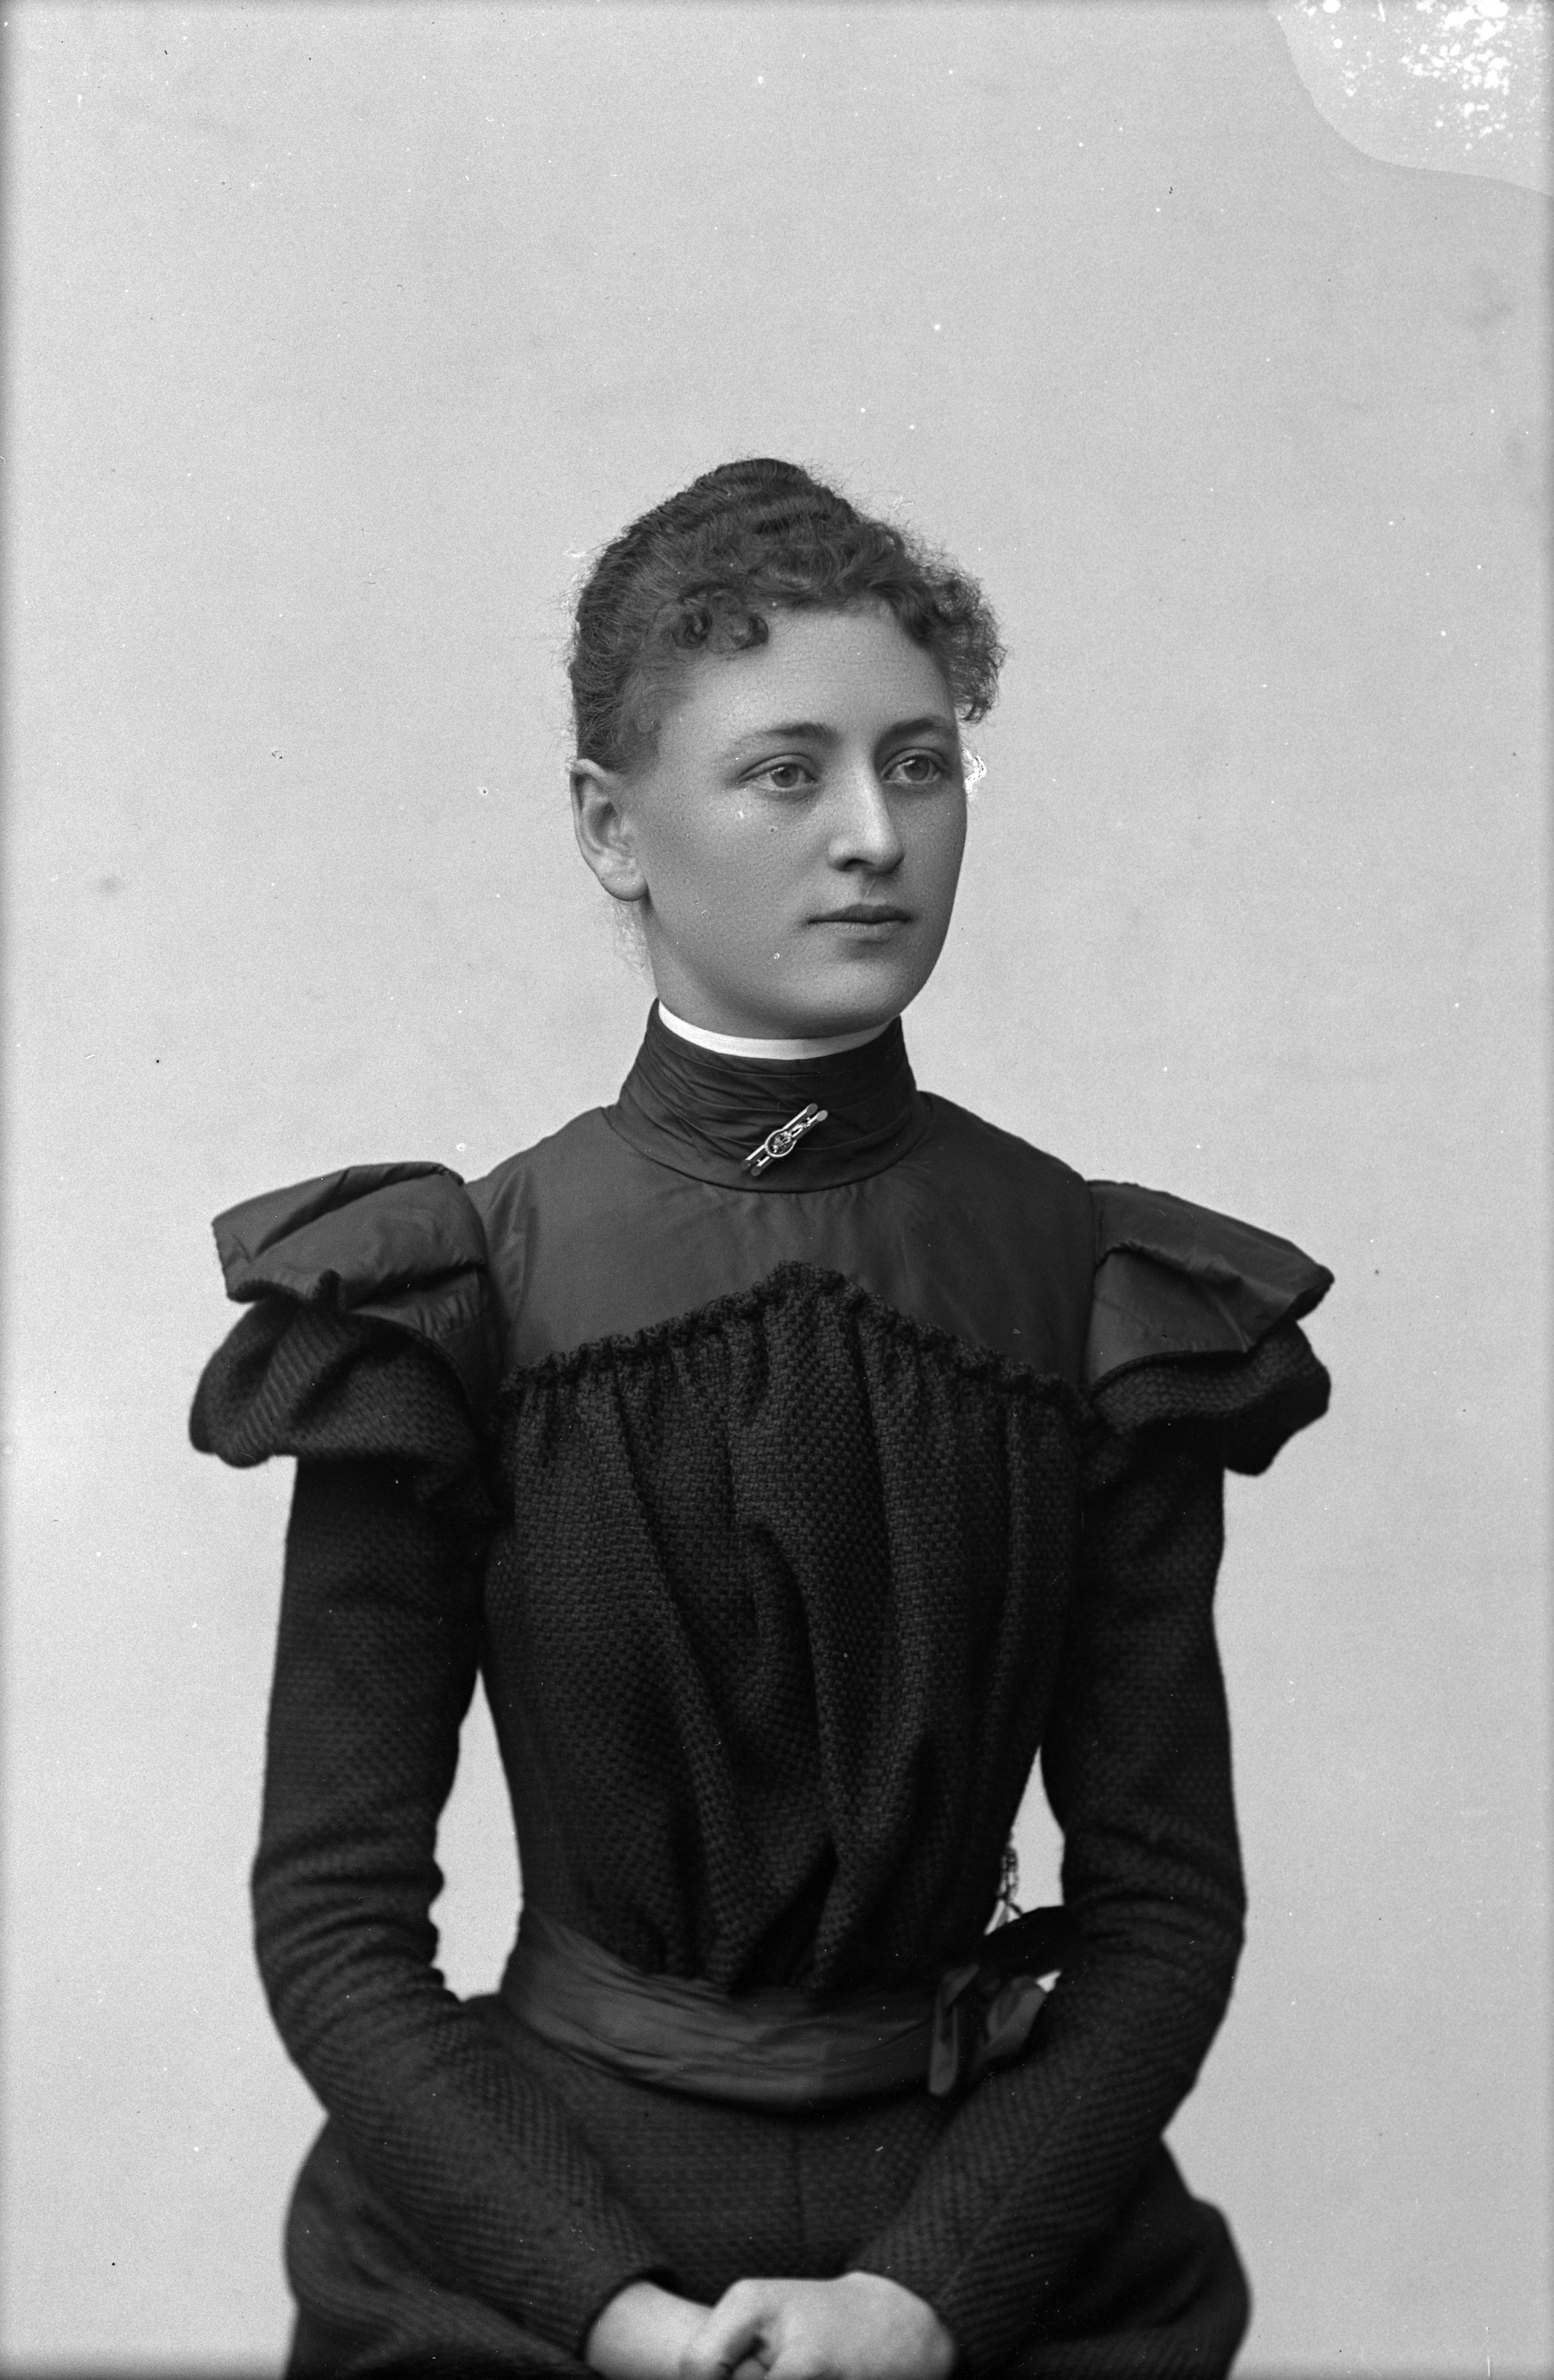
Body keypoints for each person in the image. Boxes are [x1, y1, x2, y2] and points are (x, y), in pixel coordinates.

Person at [191, 458, 1332, 2380]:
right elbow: (330, 1916)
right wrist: (610, 2312)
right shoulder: (456, 1294)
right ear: (610, 826)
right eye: (786, 772)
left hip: (978, 2238)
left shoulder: (1091, 1286)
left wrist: (925, 2299)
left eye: (921, 764)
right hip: (541, 2242)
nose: (876, 836)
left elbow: (1165, 1906)